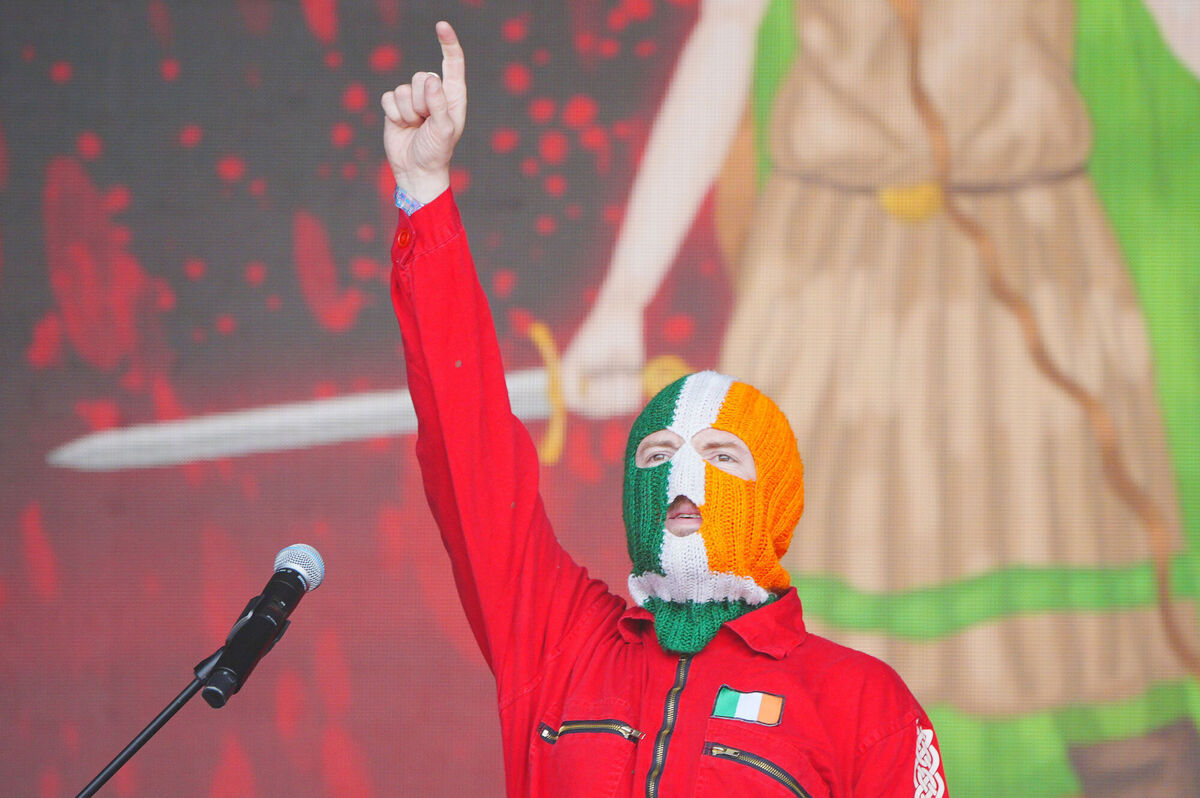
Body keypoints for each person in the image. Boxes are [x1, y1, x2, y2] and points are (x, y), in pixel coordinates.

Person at [558, 2, 1200, 794]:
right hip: (833, 291)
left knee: (1106, 671)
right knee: (804, 689)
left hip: (1028, 275)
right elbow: (725, 36)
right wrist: (624, 298)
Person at [382, 22, 949, 798]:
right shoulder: (562, 645)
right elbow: (471, 452)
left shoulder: (861, 705)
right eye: (657, 455)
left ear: (776, 499)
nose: (683, 471)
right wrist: (426, 195)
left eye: (720, 455)